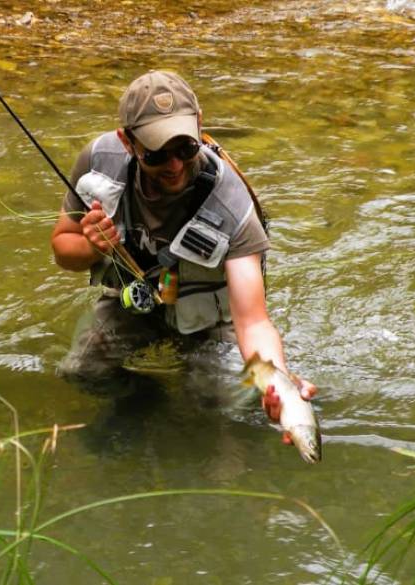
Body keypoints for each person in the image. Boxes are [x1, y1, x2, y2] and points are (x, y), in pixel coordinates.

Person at [50, 71, 315, 440]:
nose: (174, 165)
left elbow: (252, 321)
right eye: (157, 154)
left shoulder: (232, 205)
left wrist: (276, 382)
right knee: (83, 371)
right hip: (135, 305)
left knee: (219, 401)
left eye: (186, 148)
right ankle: (143, 399)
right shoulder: (99, 162)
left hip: (210, 323)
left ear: (199, 125)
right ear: (128, 142)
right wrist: (93, 245)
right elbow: (63, 250)